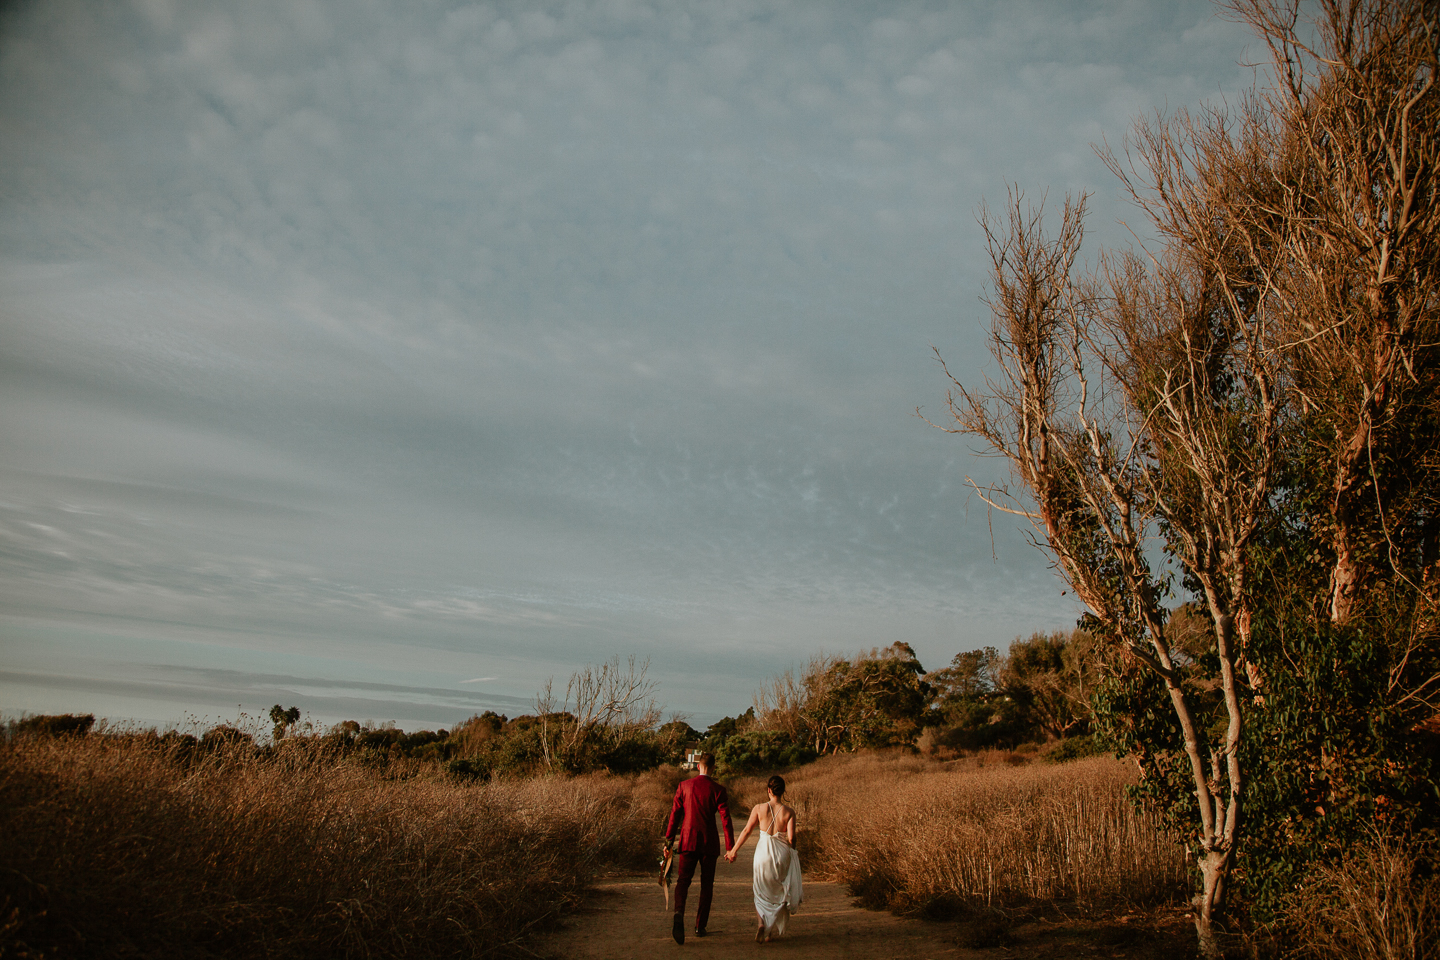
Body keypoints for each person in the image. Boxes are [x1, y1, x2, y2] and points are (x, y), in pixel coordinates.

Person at [662, 752, 734, 944]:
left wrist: (668, 842)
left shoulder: (684, 786)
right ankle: (700, 926)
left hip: (687, 840)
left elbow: (674, 816)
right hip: (709, 843)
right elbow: (726, 820)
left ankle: (679, 913)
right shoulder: (718, 789)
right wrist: (730, 847)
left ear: (698, 766)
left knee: (683, 881)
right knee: (706, 885)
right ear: (714, 768)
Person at [725, 774, 802, 943]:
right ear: (782, 791)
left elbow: (746, 831)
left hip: (763, 853)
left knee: (760, 891)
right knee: (779, 890)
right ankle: (770, 931)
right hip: (781, 854)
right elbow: (791, 838)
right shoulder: (789, 812)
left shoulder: (759, 808)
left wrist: (733, 851)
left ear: (768, 790)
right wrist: (793, 851)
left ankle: (761, 923)